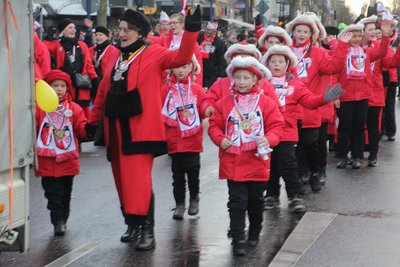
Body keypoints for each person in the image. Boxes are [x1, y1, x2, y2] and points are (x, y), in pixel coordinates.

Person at [86, 8, 202, 250]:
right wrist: (91, 121)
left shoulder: (155, 53)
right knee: (121, 181)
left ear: (140, 32)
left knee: (137, 181)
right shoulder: (114, 57)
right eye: (120, 29)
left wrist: (191, 29)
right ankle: (132, 224)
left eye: (126, 30)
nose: (121, 34)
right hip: (116, 130)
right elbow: (103, 93)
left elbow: (182, 57)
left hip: (140, 130)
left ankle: (148, 229)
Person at [208, 56, 284, 256]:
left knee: (256, 201)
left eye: (246, 78)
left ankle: (254, 231)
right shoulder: (224, 102)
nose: (241, 82)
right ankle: (238, 238)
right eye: (238, 77)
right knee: (236, 201)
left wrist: (269, 139)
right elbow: (214, 125)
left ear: (255, 80)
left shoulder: (266, 102)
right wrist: (219, 139)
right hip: (232, 161)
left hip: (256, 161)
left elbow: (277, 125)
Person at [261, 45, 343, 211]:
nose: (276, 65)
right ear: (267, 64)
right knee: (270, 164)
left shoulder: (295, 84)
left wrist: (324, 98)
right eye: (273, 61)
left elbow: (310, 101)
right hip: (267, 132)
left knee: (288, 163)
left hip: (287, 131)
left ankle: (295, 196)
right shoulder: (262, 85)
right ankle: (271, 195)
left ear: (288, 64)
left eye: (280, 62)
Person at [35, 70, 87, 236]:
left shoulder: (73, 108)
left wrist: (89, 129)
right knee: (53, 194)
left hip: (67, 161)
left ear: (67, 88)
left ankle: (63, 219)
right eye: (55, 85)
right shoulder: (40, 108)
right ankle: (57, 221)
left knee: (65, 193)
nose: (59, 89)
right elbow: (34, 128)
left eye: (62, 86)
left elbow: (81, 127)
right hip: (47, 160)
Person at [335, 21, 391, 169]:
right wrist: (336, 96)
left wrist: (385, 36)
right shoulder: (341, 52)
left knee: (359, 128)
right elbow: (334, 73)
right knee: (344, 127)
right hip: (345, 96)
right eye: (354, 36)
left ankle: (357, 156)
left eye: (359, 36)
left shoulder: (367, 53)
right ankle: (342, 156)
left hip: (362, 96)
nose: (357, 39)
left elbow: (382, 53)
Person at [161, 53, 208, 220]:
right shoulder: (166, 88)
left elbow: (203, 104)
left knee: (193, 170)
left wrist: (207, 110)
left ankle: (194, 198)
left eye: (184, 67)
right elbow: (159, 106)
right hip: (173, 138)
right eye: (177, 66)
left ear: (191, 67)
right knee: (177, 175)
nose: (180, 70)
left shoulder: (196, 88)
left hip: (192, 138)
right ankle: (180, 204)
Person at [45, 18, 98, 119]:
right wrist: (48, 37)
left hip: (81, 85)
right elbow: (44, 48)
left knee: (83, 114)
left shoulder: (82, 45)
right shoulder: (57, 44)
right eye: (70, 27)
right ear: (63, 31)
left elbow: (88, 64)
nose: (73, 30)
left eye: (74, 27)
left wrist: (94, 79)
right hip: (64, 86)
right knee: (65, 112)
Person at [197, 21, 228, 89]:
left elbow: (222, 60)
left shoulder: (219, 43)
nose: (208, 34)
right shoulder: (199, 37)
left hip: (213, 72)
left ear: (215, 32)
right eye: (207, 31)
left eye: (211, 32)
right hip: (199, 68)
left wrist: (221, 75)